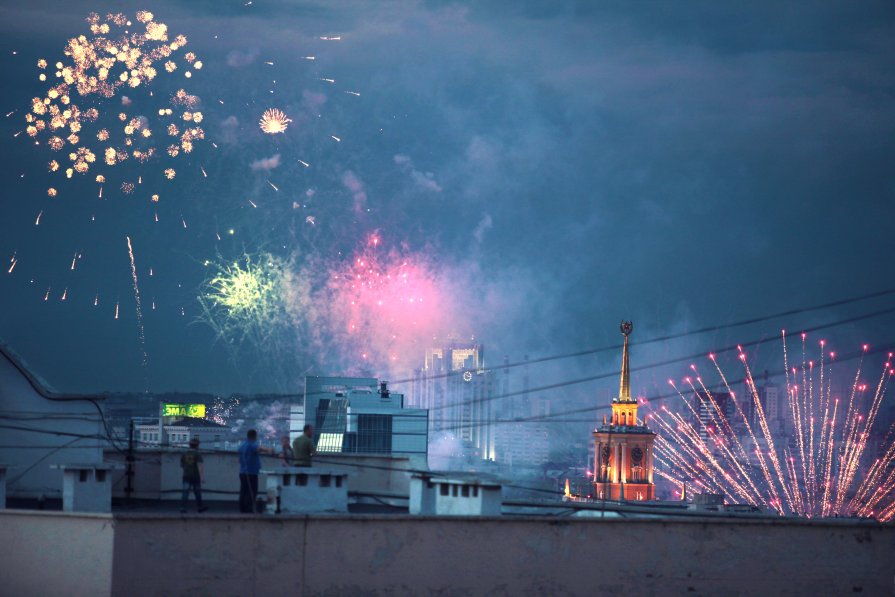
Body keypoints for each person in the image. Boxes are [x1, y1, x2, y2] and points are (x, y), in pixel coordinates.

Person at [237, 429, 273, 513]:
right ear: (254, 436)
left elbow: (239, 460)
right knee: (251, 491)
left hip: (242, 472)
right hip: (251, 473)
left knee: (243, 491)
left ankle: (242, 509)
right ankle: (248, 510)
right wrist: (269, 450)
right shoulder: (251, 445)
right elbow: (259, 448)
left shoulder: (242, 445)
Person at [180, 437, 207, 513]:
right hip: (195, 476)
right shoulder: (197, 454)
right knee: (197, 492)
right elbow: (200, 466)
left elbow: (182, 465)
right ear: (197, 446)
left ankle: (182, 508)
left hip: (186, 475)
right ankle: (200, 507)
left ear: (189, 445)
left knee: (185, 492)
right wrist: (202, 478)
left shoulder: (184, 454)